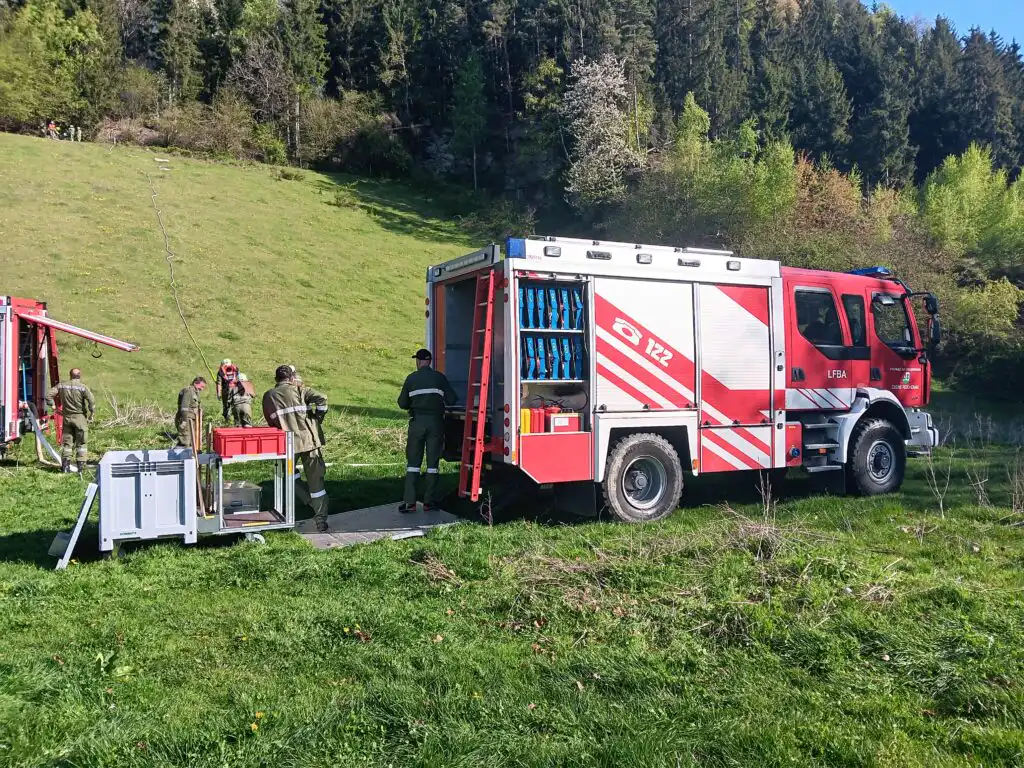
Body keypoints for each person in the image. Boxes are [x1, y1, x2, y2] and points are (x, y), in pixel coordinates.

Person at [262, 365, 330, 532]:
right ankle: (320, 517)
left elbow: (270, 421)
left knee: (288, 474)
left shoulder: (269, 396)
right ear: (292, 378)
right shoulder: (301, 390)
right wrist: (317, 418)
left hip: (288, 444)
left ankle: (306, 499)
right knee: (316, 481)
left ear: (276, 379)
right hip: (309, 441)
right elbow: (323, 398)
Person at [397, 349, 457, 513]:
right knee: (432, 465)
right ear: (430, 361)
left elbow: (402, 403)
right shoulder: (439, 378)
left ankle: (410, 502)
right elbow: (452, 399)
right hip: (436, 423)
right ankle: (429, 502)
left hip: (417, 423)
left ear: (418, 361)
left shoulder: (411, 378)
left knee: (413, 465)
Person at [45, 368, 95, 473]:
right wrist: (91, 413)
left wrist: (54, 407)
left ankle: (65, 467)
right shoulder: (83, 387)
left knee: (67, 443)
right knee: (81, 443)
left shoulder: (62, 385)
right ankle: (81, 467)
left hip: (67, 418)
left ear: (70, 375)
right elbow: (91, 401)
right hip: (80, 418)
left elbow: (48, 395)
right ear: (79, 376)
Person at [176, 376, 207, 448]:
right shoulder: (188, 391)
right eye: (201, 386)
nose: (202, 389)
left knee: (192, 441)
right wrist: (184, 421)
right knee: (185, 441)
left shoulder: (195, 392)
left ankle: (190, 457)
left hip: (192, 420)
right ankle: (180, 457)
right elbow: (184, 407)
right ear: (196, 383)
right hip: (186, 419)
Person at [216, 359, 239, 423]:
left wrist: (218, 394)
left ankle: (226, 421)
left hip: (226, 391)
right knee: (236, 406)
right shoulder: (235, 369)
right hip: (236, 390)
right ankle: (237, 422)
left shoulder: (220, 372)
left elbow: (219, 383)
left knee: (226, 407)